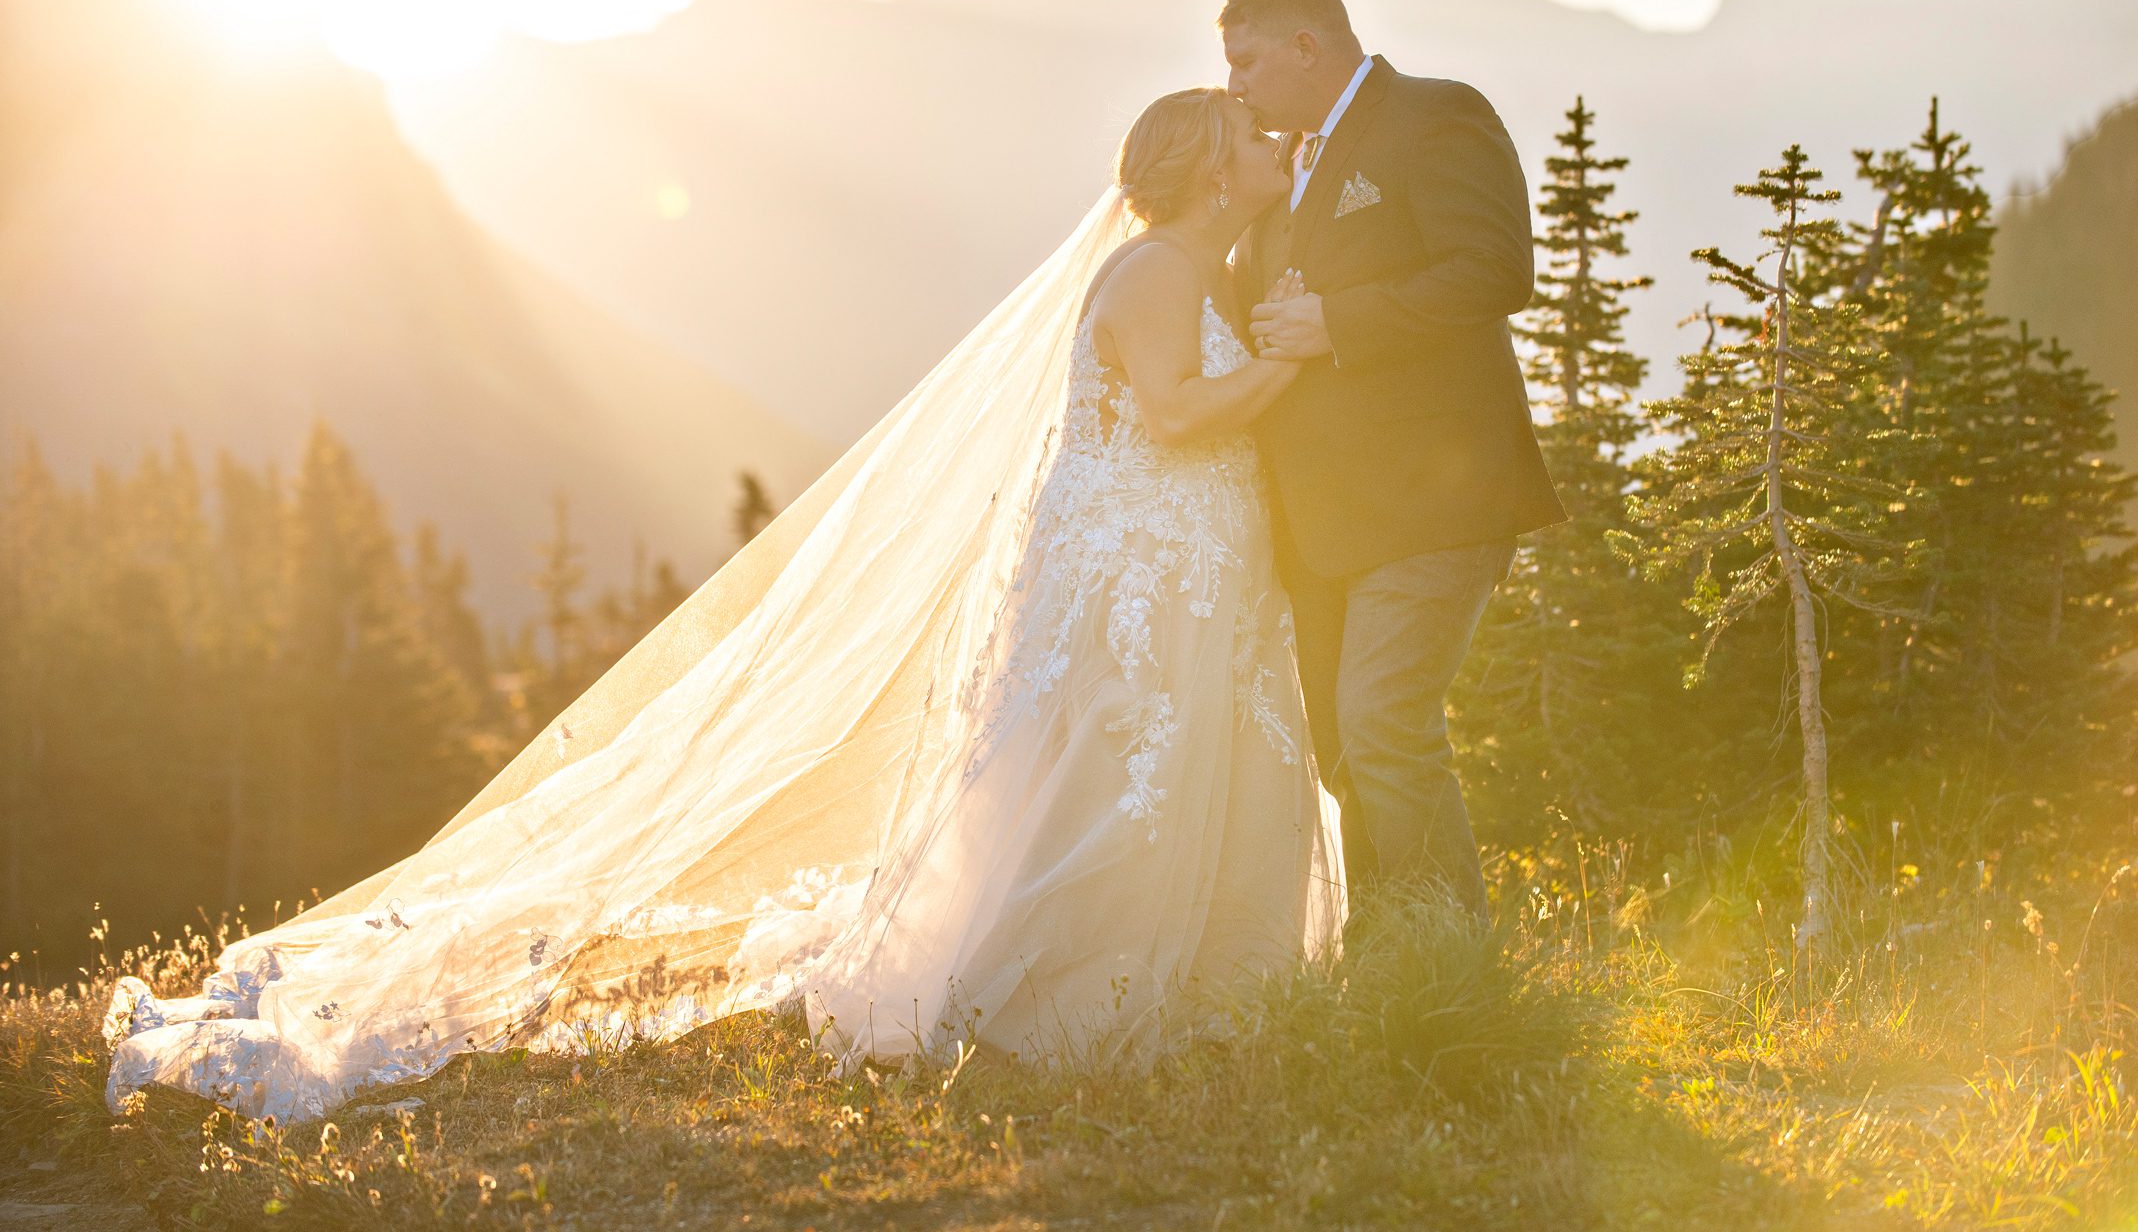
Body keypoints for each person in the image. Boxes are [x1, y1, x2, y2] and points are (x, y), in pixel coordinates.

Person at [104, 87, 1346, 1122]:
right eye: (1249, 136)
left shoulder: (1196, 268)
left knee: (1150, 772)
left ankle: (1169, 994)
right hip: (1136, 574)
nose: (1273, 143)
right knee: (1113, 777)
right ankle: (1062, 999)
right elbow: (1177, 416)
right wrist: (1293, 365)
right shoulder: (1154, 276)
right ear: (1204, 170)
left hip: (1174, 570)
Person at [1222, 0, 1567, 919]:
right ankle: (1387, 972)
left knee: (1383, 724)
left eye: (1247, 60)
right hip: (1322, 519)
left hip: (1436, 501)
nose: (1235, 84)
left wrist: (1342, 322)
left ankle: (1452, 971)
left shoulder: (1436, 115)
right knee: (1339, 744)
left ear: (1306, 47)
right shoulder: (1276, 169)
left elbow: (1495, 267)